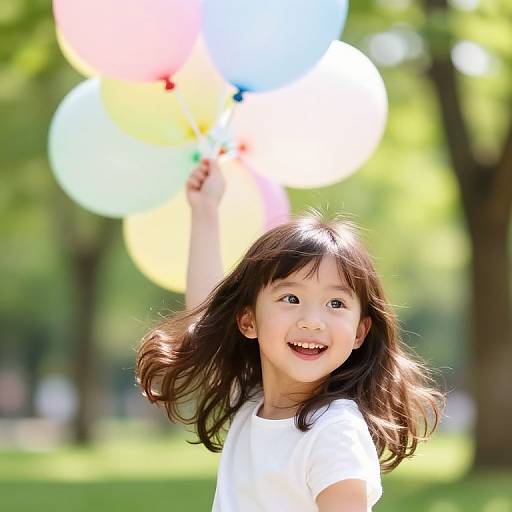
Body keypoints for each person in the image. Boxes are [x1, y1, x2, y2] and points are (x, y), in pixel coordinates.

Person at [136, 157, 446, 511]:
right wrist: (206, 210)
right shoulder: (255, 399)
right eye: (292, 298)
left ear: (360, 332)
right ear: (247, 321)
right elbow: (206, 315)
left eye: (335, 304)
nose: (312, 321)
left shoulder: (333, 433)